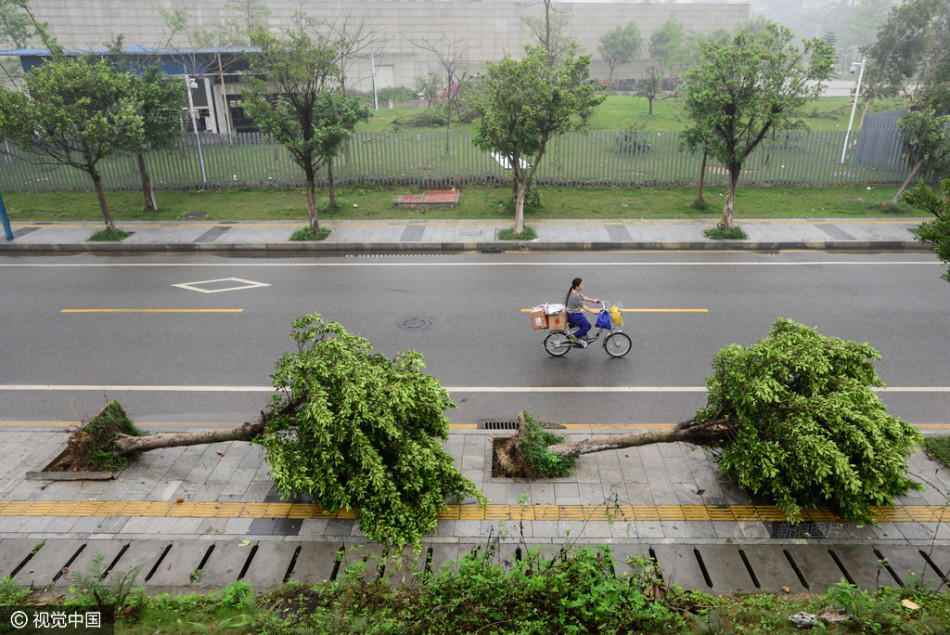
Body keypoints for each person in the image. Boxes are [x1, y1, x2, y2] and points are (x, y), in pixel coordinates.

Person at [564, 277, 600, 348]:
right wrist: (593, 311)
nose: (583, 286)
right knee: (587, 326)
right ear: (577, 286)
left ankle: (581, 336)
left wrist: (593, 300)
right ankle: (574, 336)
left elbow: (583, 297)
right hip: (573, 315)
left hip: (575, 313)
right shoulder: (574, 296)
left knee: (584, 324)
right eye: (582, 284)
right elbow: (582, 306)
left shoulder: (575, 291)